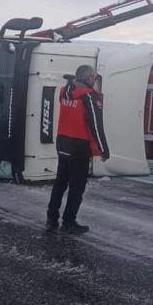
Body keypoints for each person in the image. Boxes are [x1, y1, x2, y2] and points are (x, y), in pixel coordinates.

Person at [47, 65, 110, 235]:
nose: (95, 81)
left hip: (63, 143)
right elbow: (96, 125)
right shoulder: (89, 97)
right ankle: (69, 222)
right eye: (94, 78)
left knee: (60, 183)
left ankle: (51, 218)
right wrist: (104, 150)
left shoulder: (63, 92)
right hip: (79, 147)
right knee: (76, 187)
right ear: (89, 78)